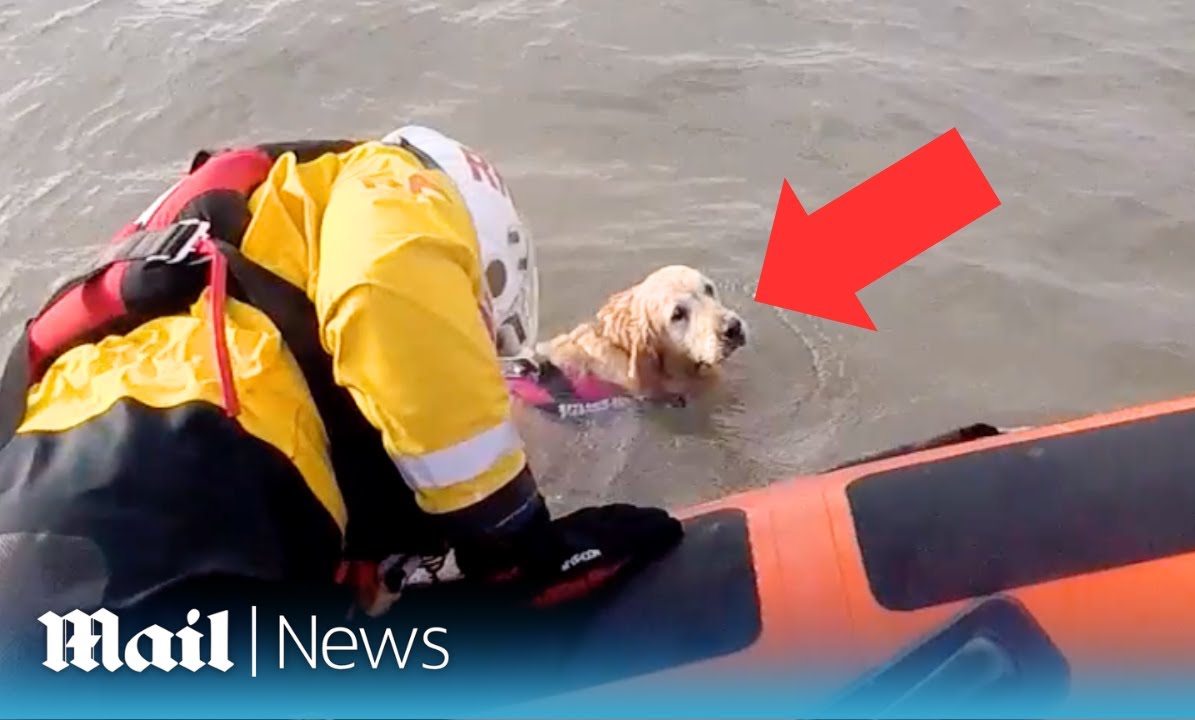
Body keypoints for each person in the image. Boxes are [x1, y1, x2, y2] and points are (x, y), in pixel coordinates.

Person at [0, 125, 684, 645]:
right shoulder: (393, 181)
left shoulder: (206, 284)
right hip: (178, 498)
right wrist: (517, 541)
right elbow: (386, 281)